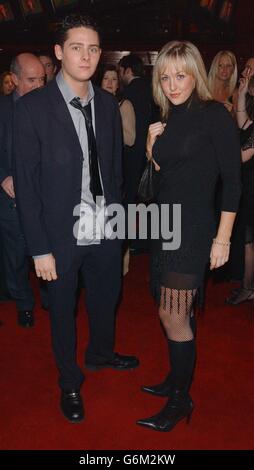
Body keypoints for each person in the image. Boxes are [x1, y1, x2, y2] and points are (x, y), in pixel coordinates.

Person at [14, 14, 139, 424]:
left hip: (104, 223)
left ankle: (101, 353)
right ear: (58, 52)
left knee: (107, 295)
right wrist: (40, 249)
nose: (86, 56)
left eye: (93, 48)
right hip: (59, 233)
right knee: (63, 309)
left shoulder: (107, 104)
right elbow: (28, 188)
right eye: (76, 47)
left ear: (101, 55)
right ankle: (69, 380)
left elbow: (114, 169)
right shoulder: (32, 108)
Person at [136, 40, 241, 432]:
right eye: (164, 77)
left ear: (196, 72)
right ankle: (176, 380)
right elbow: (165, 176)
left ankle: (181, 400)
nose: (172, 84)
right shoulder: (168, 115)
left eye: (180, 75)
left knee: (173, 313)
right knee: (165, 306)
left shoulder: (214, 114)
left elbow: (232, 182)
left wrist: (223, 238)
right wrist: (150, 148)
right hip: (163, 225)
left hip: (194, 229)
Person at [0, 53, 46, 327]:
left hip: (45, 197)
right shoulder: (2, 109)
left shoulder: (50, 106)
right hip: (11, 197)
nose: (39, 86)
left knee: (47, 249)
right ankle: (23, 304)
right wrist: (3, 176)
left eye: (42, 79)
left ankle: (52, 298)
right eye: (31, 80)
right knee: (15, 255)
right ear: (14, 79)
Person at [101, 64, 136, 274]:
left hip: (118, 169)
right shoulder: (91, 102)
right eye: (106, 78)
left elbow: (131, 139)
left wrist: (111, 130)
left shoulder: (124, 105)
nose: (110, 83)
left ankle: (120, 265)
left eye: (114, 79)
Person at [225, 66, 254, 304]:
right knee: (247, 238)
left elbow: (242, 155)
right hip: (249, 185)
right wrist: (242, 94)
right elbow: (243, 122)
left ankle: (248, 288)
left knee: (249, 240)